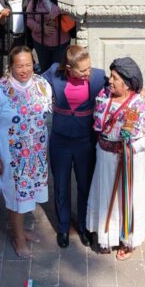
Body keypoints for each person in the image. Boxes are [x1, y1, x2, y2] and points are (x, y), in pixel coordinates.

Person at [0, 46, 54, 258]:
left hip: (36, 154)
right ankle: (18, 237)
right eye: (19, 66)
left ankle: (21, 230)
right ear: (10, 66)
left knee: (29, 194)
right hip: (11, 157)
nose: (24, 70)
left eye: (28, 65)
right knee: (15, 196)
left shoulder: (42, 85)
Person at [87, 57, 145, 258]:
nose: (109, 81)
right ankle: (106, 236)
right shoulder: (104, 95)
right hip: (104, 157)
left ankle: (127, 239)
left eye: (115, 78)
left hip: (130, 160)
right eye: (111, 76)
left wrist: (132, 147)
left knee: (128, 198)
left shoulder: (140, 104)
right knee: (105, 195)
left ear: (128, 84)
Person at [43, 45, 106, 248]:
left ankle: (83, 225)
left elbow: (122, 81)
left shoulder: (98, 77)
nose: (88, 72)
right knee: (61, 185)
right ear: (69, 68)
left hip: (85, 141)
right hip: (59, 140)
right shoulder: (54, 72)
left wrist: (141, 88)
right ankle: (63, 227)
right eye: (82, 70)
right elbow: (34, 83)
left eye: (89, 67)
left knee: (84, 184)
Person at [26, 0, 71, 72]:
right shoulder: (35, 0)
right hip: (41, 43)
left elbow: (71, 11)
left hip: (62, 42)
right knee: (45, 71)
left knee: (58, 71)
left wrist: (57, 12)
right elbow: (28, 19)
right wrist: (41, 28)